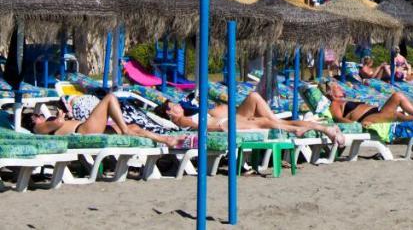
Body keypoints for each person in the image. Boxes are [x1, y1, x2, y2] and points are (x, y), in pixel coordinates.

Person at [158, 94, 346, 145]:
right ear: (170, 113)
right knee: (269, 123)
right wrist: (222, 126)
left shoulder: (191, 112)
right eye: (173, 106)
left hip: (234, 118)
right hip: (227, 125)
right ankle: (323, 128)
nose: (177, 105)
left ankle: (294, 127)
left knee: (254, 97)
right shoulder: (182, 120)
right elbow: (203, 128)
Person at [28, 94, 180, 148]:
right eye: (36, 116)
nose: (39, 115)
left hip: (86, 128)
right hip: (83, 131)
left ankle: (165, 139)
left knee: (133, 126)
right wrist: (60, 116)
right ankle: (125, 131)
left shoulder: (44, 125)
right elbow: (58, 124)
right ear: (34, 121)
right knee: (109, 98)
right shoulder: (38, 129)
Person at [320, 80, 413, 125]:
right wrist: (355, 125)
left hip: (377, 112)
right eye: (336, 87)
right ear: (330, 93)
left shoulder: (345, 99)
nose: (340, 87)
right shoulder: (334, 103)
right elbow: (337, 118)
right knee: (394, 115)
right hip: (365, 119)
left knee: (397, 95)